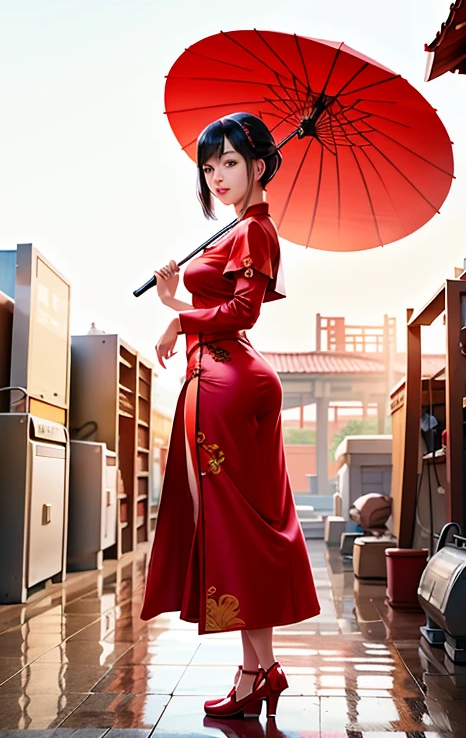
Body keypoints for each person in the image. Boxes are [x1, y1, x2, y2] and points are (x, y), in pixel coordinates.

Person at [139, 112, 320, 719]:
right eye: (209, 166)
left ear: (259, 166)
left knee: (236, 527)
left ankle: (257, 671)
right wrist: (174, 308)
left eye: (230, 163)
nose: (217, 175)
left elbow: (243, 313)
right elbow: (220, 302)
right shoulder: (242, 229)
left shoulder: (254, 232)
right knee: (238, 527)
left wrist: (175, 310)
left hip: (225, 381)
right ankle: (256, 671)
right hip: (217, 375)